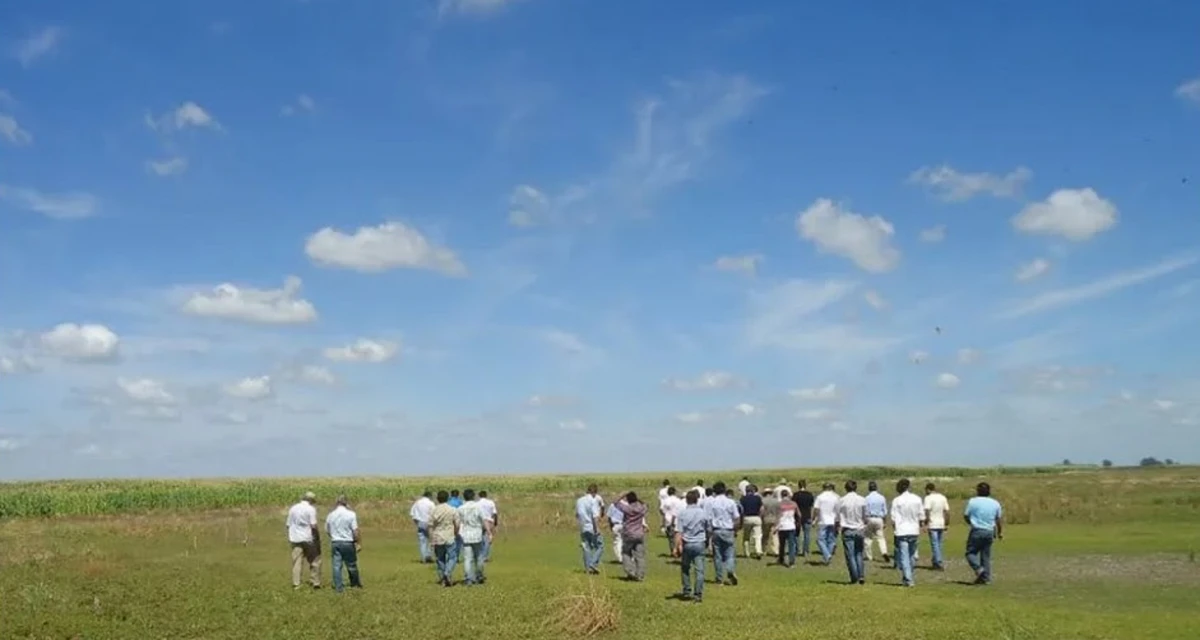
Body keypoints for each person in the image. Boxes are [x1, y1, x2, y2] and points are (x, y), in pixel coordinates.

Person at [674, 489, 712, 603]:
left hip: (687, 543)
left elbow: (678, 532)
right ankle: (698, 594)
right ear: (697, 500)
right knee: (699, 570)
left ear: (686, 500)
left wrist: (676, 547)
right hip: (700, 543)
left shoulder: (682, 513)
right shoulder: (703, 513)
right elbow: (709, 528)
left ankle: (687, 590)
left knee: (685, 568)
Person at [964, 482, 1003, 584]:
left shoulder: (973, 501)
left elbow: (966, 515)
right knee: (985, 556)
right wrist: (999, 532)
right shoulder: (995, 503)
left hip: (977, 530)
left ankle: (979, 569)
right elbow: (998, 519)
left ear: (978, 491)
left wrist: (971, 523)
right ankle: (986, 578)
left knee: (970, 553)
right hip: (989, 531)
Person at [890, 478, 925, 587]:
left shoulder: (897, 500)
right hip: (914, 530)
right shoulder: (917, 499)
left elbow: (893, 518)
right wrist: (921, 525)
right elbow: (921, 515)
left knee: (904, 556)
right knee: (911, 555)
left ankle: (908, 579)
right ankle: (909, 575)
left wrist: (895, 528)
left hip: (901, 530)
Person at [325, 495, 362, 592]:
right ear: (346, 503)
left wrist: (333, 536)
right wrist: (357, 542)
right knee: (351, 564)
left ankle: (338, 587)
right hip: (348, 542)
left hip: (335, 542)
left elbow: (327, 530)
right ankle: (355, 584)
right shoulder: (351, 514)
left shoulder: (330, 515)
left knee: (336, 566)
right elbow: (355, 530)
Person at [706, 482, 740, 585]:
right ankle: (730, 570)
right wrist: (735, 529)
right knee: (729, 554)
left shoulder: (712, 502)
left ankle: (719, 578)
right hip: (728, 529)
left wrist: (709, 532)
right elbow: (737, 517)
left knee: (718, 556)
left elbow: (708, 518)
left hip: (716, 530)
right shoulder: (731, 502)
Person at [286, 491, 321, 590]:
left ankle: (296, 583)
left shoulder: (293, 508)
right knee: (314, 560)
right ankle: (315, 582)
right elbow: (313, 525)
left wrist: (291, 535)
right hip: (308, 538)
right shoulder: (311, 509)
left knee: (297, 562)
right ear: (311, 500)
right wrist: (317, 537)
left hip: (295, 538)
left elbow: (288, 524)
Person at [457, 489, 492, 586]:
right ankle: (479, 575)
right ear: (473, 496)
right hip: (477, 535)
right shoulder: (478, 507)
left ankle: (468, 578)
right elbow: (484, 520)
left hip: (465, 535)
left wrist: (456, 532)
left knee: (468, 558)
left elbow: (458, 522)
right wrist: (489, 532)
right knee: (479, 557)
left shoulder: (460, 508)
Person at [835, 481, 868, 584]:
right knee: (859, 553)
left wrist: (837, 526)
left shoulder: (841, 500)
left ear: (846, 488)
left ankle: (854, 577)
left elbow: (837, 517)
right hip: (859, 528)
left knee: (850, 555)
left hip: (847, 529)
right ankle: (861, 575)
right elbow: (866, 515)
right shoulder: (862, 499)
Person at [616, 491, 649, 581]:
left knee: (626, 553)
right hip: (639, 534)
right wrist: (639, 500)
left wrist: (622, 495)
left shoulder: (627, 509)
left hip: (628, 534)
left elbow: (616, 503)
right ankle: (640, 575)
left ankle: (630, 571)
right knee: (640, 556)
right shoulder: (641, 508)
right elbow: (646, 505)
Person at [429, 490, 459, 587]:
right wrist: (456, 533)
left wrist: (431, 538)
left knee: (440, 559)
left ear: (438, 499)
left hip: (438, 537)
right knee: (453, 557)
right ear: (448, 498)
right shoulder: (452, 509)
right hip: (449, 536)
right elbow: (457, 523)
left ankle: (442, 579)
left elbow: (430, 525)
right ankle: (447, 573)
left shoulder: (434, 510)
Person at [576, 484, 603, 574]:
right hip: (591, 526)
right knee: (600, 546)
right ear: (595, 492)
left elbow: (577, 515)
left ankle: (588, 569)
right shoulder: (592, 501)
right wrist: (597, 529)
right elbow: (594, 516)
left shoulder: (579, 501)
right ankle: (593, 563)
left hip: (583, 527)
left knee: (586, 547)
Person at [923, 482, 949, 570]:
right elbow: (946, 511)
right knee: (939, 543)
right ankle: (935, 561)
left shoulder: (928, 498)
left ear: (928, 489)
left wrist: (926, 522)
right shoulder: (942, 497)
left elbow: (927, 510)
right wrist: (946, 523)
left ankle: (938, 561)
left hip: (932, 523)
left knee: (934, 544)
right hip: (941, 522)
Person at [813, 482, 839, 564]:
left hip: (823, 520)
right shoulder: (836, 497)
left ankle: (827, 555)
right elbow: (838, 510)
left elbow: (816, 509)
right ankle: (828, 556)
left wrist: (814, 519)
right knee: (831, 540)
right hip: (833, 520)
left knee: (820, 540)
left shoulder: (820, 497)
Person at [864, 481, 890, 563]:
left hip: (870, 518)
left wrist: (864, 521)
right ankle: (884, 552)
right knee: (881, 538)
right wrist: (885, 522)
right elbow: (885, 511)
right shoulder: (881, 497)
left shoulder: (866, 498)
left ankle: (869, 556)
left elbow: (865, 511)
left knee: (868, 538)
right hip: (879, 519)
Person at [776, 489, 800, 567]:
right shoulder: (794, 504)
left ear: (781, 495)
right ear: (788, 495)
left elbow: (778, 516)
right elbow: (799, 514)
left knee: (782, 544)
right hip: (791, 526)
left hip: (782, 526)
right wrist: (797, 522)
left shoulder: (779, 504)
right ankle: (791, 561)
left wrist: (776, 526)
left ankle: (781, 559)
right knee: (791, 545)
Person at [739, 484, 764, 559]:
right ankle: (758, 551)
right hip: (756, 517)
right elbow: (762, 509)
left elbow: (741, 510)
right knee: (758, 536)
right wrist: (760, 516)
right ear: (753, 491)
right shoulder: (758, 498)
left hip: (747, 518)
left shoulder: (742, 499)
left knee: (746, 536)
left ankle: (747, 553)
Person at [410, 490, 435, 564]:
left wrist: (416, 523)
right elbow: (434, 513)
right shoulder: (431, 503)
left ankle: (423, 557)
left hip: (420, 522)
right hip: (429, 523)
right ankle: (429, 556)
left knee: (422, 541)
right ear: (429, 496)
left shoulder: (417, 503)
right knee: (432, 540)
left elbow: (412, 514)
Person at [660, 486, 686, 557]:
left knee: (671, 538)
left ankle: (673, 551)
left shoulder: (665, 500)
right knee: (678, 536)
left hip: (668, 520)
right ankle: (678, 550)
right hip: (677, 520)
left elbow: (661, 510)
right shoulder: (678, 500)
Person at [794, 480, 816, 557]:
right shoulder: (810, 495)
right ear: (805, 485)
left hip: (797, 517)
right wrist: (812, 517)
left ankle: (797, 550)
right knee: (807, 534)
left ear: (798, 486)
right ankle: (806, 551)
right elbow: (812, 506)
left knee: (796, 534)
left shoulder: (795, 495)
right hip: (807, 516)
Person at [478, 490, 498, 564]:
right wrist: (495, 523)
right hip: (489, 522)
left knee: (480, 540)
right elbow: (495, 514)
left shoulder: (477, 503)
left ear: (479, 496)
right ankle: (485, 556)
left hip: (480, 522)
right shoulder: (491, 502)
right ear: (486, 495)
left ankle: (480, 555)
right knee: (488, 539)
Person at [761, 486, 781, 558]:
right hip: (774, 519)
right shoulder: (776, 501)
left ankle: (764, 550)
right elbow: (779, 512)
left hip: (765, 519)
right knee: (774, 536)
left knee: (765, 535)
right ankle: (776, 551)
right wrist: (778, 520)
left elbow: (762, 511)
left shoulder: (763, 501)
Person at [607, 497, 626, 562]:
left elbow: (609, 517)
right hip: (624, 525)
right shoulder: (626, 504)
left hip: (616, 525)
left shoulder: (612, 505)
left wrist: (610, 526)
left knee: (617, 542)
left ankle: (620, 558)